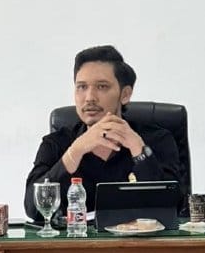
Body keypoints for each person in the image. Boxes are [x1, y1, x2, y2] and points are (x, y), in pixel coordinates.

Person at [25, 45, 182, 220]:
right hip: (77, 238)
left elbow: (174, 208)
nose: (89, 97)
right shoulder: (56, 143)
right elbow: (33, 210)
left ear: (125, 94)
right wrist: (75, 152)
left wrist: (138, 150)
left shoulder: (157, 140)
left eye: (102, 86)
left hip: (139, 238)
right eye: (82, 87)